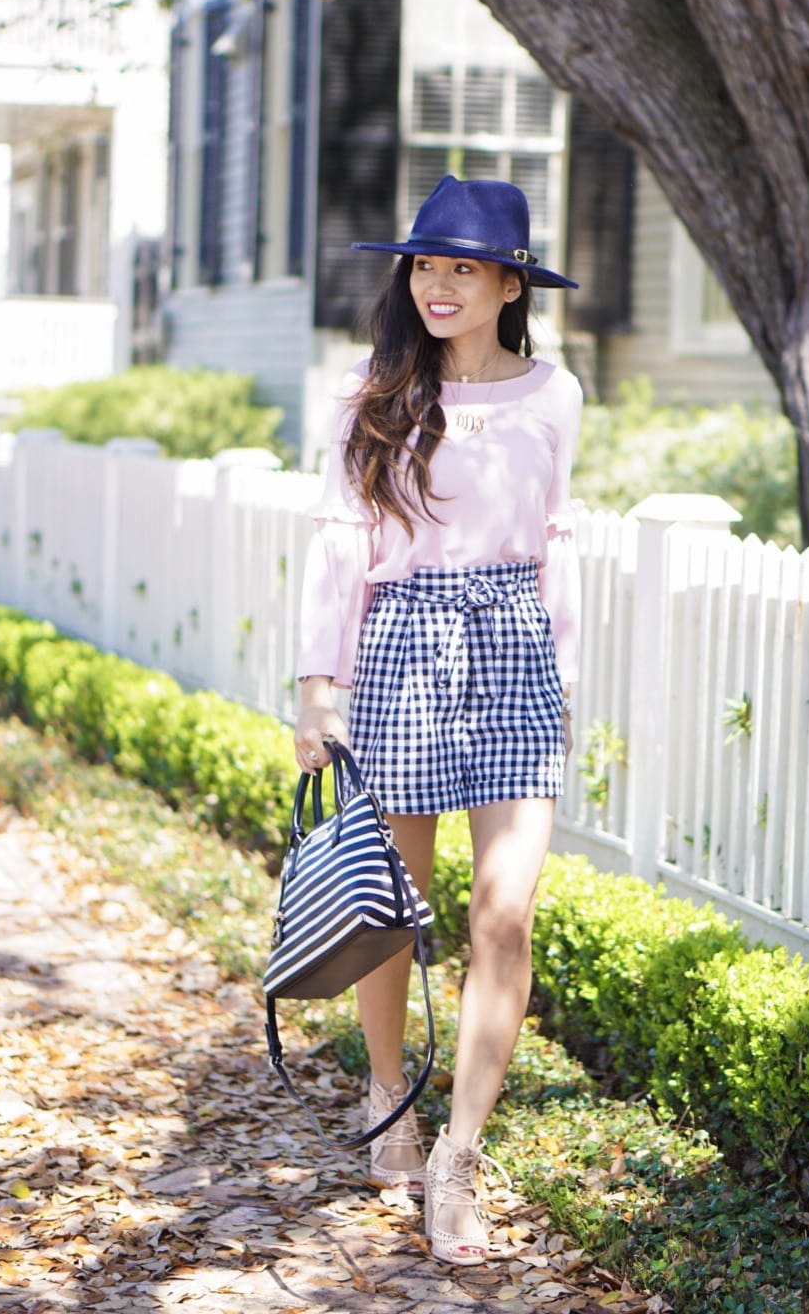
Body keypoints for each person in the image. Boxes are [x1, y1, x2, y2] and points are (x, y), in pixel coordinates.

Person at [293, 175, 582, 1266]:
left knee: (504, 913)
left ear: (512, 283)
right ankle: (389, 1092)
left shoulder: (555, 394)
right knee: (395, 911)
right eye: (425, 264)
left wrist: (561, 675)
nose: (439, 284)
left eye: (464, 266)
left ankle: (459, 1155)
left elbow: (558, 537)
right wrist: (320, 687)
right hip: (404, 646)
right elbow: (339, 538)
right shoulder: (374, 392)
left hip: (512, 648)